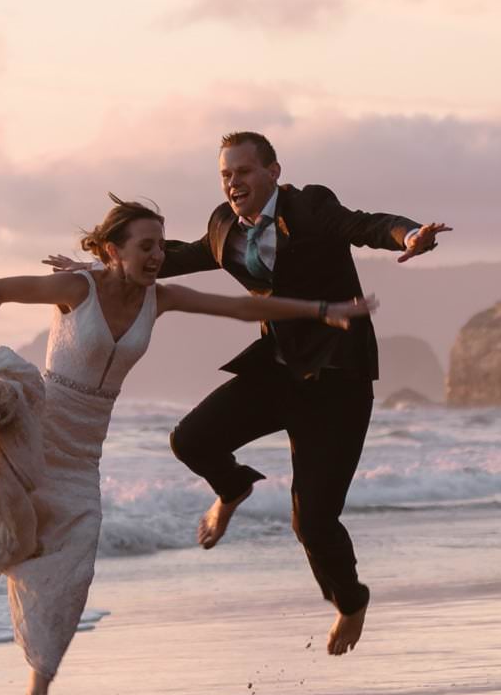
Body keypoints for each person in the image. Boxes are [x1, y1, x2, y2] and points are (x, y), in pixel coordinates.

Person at [0, 195, 375, 695]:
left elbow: (239, 307)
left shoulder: (158, 299)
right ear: (114, 250)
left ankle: (35, 693)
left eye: (161, 245)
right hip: (35, 425)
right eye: (146, 245)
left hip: (84, 453)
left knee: (74, 563)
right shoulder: (77, 287)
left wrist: (322, 311)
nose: (158, 255)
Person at [145, 131, 450, 657]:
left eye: (243, 171)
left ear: (273, 172)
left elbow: (365, 225)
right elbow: (178, 256)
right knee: (190, 439)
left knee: (312, 521)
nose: (233, 183)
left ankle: (351, 603)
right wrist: (102, 267)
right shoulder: (223, 226)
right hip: (277, 372)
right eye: (225, 174)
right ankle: (233, 489)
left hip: (338, 382)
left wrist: (407, 236)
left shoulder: (309, 207)